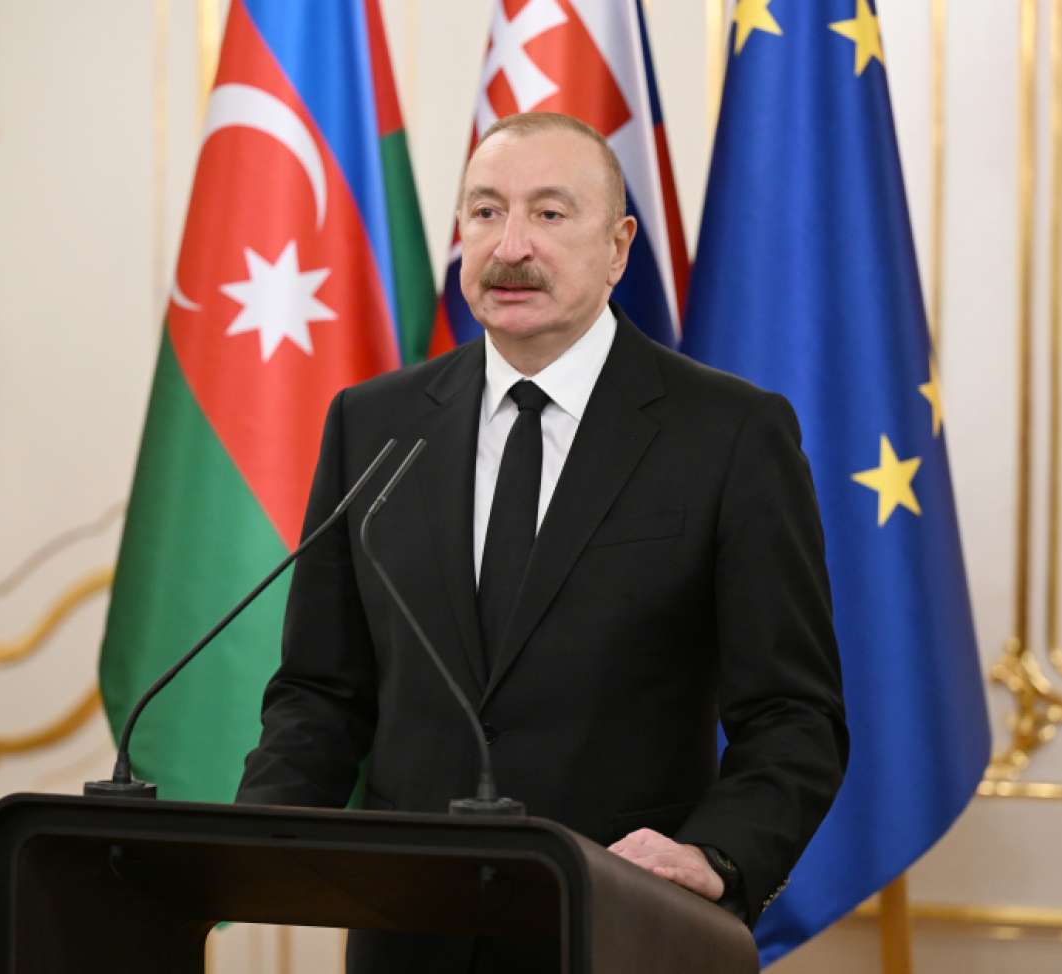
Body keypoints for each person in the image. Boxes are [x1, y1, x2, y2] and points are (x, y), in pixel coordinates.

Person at [237, 111, 848, 973]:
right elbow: (321, 689)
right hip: (411, 936)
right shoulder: (374, 425)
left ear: (618, 246)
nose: (511, 245)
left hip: (622, 927)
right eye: (486, 211)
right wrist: (256, 839)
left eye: (550, 214)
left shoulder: (731, 434)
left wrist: (715, 853)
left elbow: (793, 714)